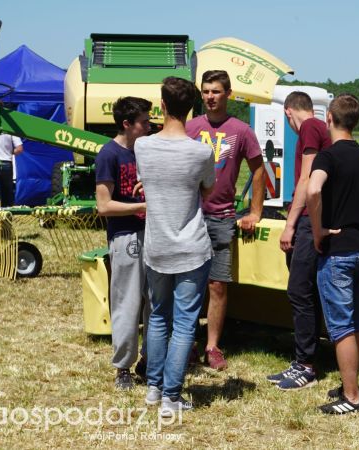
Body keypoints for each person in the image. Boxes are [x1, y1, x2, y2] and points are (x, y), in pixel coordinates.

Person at [135, 77, 216, 417]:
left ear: (162, 106)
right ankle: (171, 395)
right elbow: (207, 191)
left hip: (156, 246)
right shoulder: (201, 152)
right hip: (191, 248)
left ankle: (154, 388)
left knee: (157, 317)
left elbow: (147, 184)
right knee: (184, 324)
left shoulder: (143, 146)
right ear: (191, 108)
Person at [306, 93, 359, 414]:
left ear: (329, 119)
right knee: (356, 323)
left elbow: (313, 189)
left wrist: (317, 230)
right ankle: (350, 384)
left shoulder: (327, 157)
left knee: (340, 326)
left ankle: (352, 397)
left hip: (337, 252)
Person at [186, 70, 265, 371]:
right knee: (189, 283)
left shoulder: (241, 131)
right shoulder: (190, 128)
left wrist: (255, 211)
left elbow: (258, 169)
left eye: (216, 91)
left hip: (221, 217)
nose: (210, 97)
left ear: (228, 94)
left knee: (217, 285)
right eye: (206, 91)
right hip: (190, 217)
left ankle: (212, 346)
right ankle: (187, 343)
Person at [267, 91, 332, 390]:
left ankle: (305, 365)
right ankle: (305, 359)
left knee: (299, 291)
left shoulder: (308, 128)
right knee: (308, 292)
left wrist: (289, 225)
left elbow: (306, 181)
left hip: (307, 219)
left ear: (288, 112)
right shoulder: (320, 127)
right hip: (313, 218)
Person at [95, 96, 152, 390]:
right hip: (125, 237)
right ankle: (123, 369)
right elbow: (103, 206)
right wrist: (141, 206)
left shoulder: (147, 150)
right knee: (127, 304)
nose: (150, 125)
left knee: (154, 304)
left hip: (153, 235)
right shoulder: (109, 155)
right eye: (144, 121)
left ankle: (149, 362)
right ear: (127, 124)